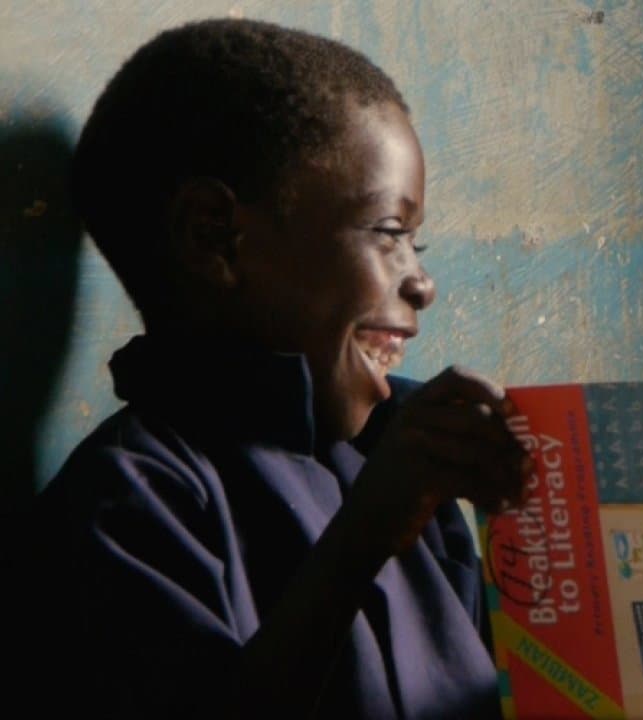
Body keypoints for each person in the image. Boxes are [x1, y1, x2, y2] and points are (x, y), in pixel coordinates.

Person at [22, 19, 529, 719]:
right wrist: (364, 536)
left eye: (419, 242)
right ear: (214, 237)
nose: (423, 284)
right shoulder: (132, 504)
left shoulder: (406, 462)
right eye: (388, 233)